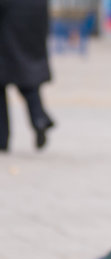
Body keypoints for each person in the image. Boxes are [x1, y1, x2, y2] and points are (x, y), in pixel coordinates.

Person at [0, 0, 55, 152]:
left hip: (6, 40)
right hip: (30, 39)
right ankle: (39, 118)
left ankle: (2, 139)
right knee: (28, 83)